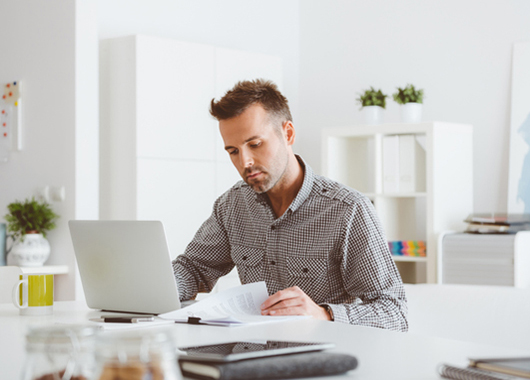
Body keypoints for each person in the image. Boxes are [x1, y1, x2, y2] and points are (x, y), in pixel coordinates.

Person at [172, 79, 408, 331]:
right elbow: (194, 269)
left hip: (319, 360)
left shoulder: (348, 210)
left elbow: (394, 312)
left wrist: (323, 314)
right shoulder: (231, 205)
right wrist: (143, 286)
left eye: (254, 144)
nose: (245, 162)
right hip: (251, 357)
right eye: (233, 151)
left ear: (288, 134)